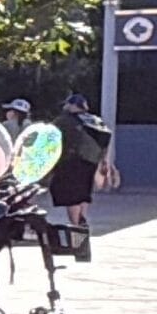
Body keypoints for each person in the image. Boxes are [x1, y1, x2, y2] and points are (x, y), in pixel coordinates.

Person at [47, 92, 112, 233]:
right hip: (90, 163)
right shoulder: (95, 120)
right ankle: (82, 219)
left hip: (69, 163)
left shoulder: (63, 121)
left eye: (67, 104)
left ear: (71, 105)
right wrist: (103, 163)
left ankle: (76, 225)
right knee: (83, 194)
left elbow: (49, 138)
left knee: (71, 197)